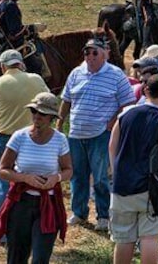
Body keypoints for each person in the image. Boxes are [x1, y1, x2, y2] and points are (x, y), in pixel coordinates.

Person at [57, 37, 135, 232]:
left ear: (104, 54)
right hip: (76, 132)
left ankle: (103, 215)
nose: (89, 56)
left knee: (100, 177)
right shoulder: (76, 73)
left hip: (100, 133)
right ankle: (79, 212)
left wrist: (113, 122)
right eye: (86, 52)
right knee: (77, 175)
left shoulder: (116, 75)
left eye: (94, 52)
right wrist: (59, 123)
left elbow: (128, 103)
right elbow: (66, 99)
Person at [109, 75, 158, 264]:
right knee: (149, 237)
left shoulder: (125, 114)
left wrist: (117, 173)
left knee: (124, 239)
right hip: (152, 187)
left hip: (123, 185)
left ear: (144, 91)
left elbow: (112, 147)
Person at [0, 92, 71, 264]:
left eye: (42, 113)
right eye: (34, 111)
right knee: (16, 257)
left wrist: (56, 178)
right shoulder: (19, 136)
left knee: (40, 258)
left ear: (52, 117)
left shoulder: (60, 140)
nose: (37, 116)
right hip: (21, 202)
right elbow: (2, 170)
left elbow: (68, 170)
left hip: (47, 205)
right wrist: (25, 178)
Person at [0, 49, 49, 215]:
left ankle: (3, 226)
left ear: (3, 66)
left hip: (4, 138)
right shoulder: (36, 79)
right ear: (21, 64)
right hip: (30, 138)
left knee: (3, 184)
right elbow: (48, 102)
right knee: (32, 182)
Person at [0, 0, 48, 76]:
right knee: (35, 65)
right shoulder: (10, 5)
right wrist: (34, 28)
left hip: (0, 36)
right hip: (10, 41)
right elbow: (15, 32)